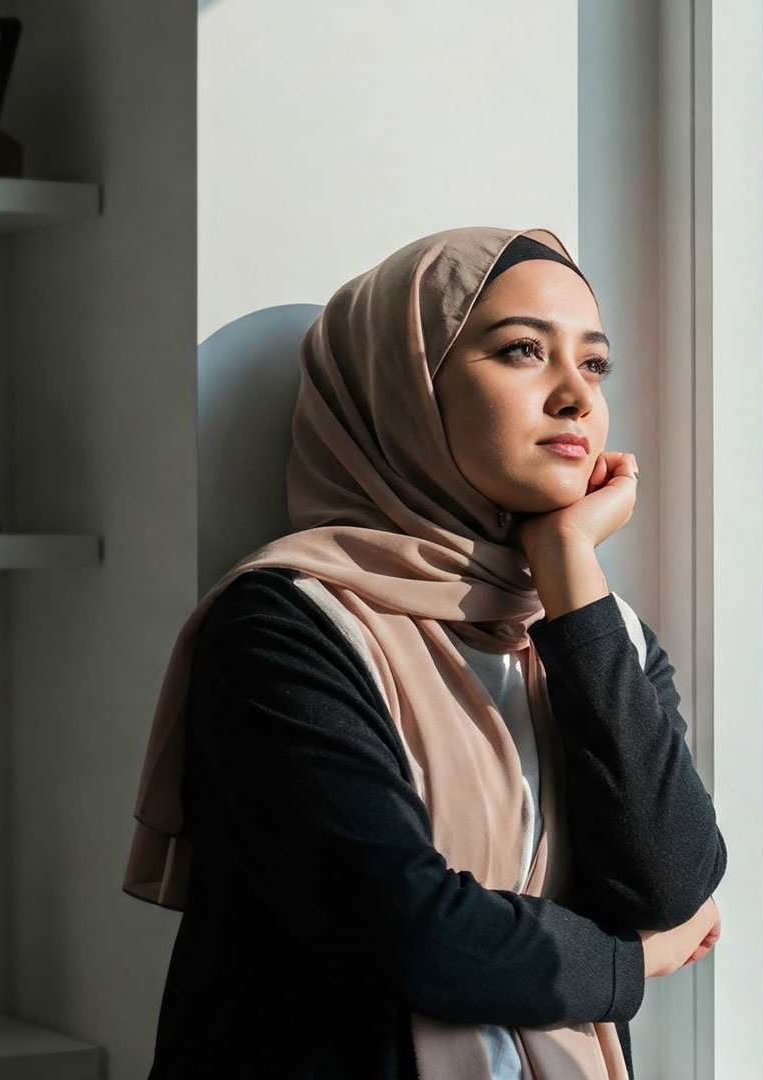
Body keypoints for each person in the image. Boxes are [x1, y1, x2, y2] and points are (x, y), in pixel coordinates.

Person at [125, 227, 727, 1078]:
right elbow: (403, 930)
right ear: (407, 387)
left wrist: (566, 567)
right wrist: (630, 965)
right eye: (523, 351)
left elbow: (670, 885)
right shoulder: (286, 628)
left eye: (594, 365)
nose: (575, 399)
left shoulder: (594, 629)